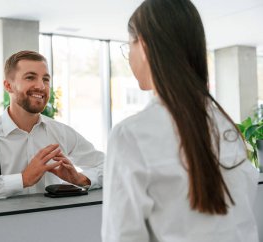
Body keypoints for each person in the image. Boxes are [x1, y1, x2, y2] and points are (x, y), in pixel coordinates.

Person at [101, 0, 259, 241]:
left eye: (128, 45)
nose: (129, 55)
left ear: (143, 46)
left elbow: (122, 236)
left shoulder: (130, 135)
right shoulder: (227, 128)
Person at [0, 50, 103, 202]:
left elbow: (111, 167)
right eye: (30, 77)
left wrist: (81, 179)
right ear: (8, 86)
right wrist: (22, 180)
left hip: (55, 228)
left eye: (45, 79)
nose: (41, 86)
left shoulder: (62, 133)